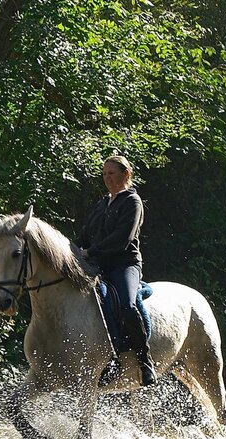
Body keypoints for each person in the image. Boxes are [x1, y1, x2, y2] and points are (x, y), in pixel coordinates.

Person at [75, 155, 156, 387]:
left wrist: (91, 252)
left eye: (111, 173)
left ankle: (144, 360)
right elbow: (84, 235)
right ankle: (106, 358)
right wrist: (73, 249)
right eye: (104, 174)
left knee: (127, 305)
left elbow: (123, 238)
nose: (107, 178)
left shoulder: (133, 202)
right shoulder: (101, 205)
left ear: (125, 174)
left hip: (124, 263)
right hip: (97, 265)